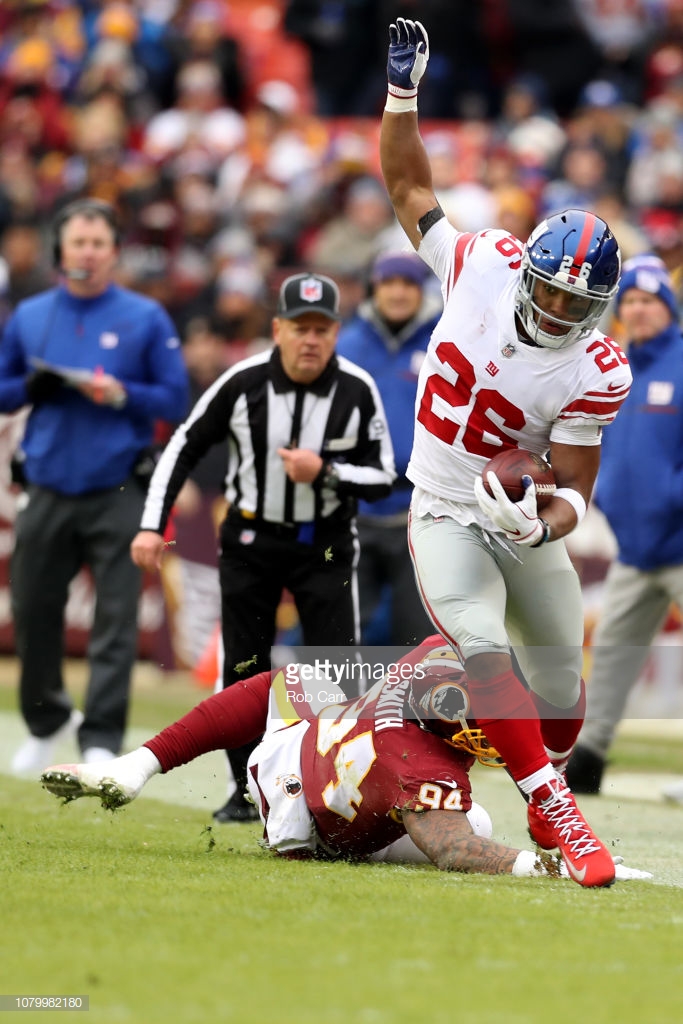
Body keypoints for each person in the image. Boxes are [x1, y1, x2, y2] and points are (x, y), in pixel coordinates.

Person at [379, 19, 632, 888]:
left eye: (579, 304)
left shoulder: (595, 367)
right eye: (554, 295)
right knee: (483, 648)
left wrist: (536, 523)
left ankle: (543, 791)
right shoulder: (483, 262)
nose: (562, 315)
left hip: (511, 517)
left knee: (562, 679)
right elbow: (408, 183)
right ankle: (557, 806)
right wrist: (402, 97)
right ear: (528, 272)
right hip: (446, 505)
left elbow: (575, 492)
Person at [39, 636, 650, 884]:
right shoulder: (426, 762)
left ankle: (137, 764)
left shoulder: (437, 658)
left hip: (323, 755)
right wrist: (545, 867)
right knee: (477, 832)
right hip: (297, 801)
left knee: (299, 677)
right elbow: (454, 849)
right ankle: (298, 830)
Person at [130, 271, 396, 824]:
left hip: (324, 544)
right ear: (277, 328)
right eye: (300, 327)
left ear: (336, 333)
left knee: (335, 671)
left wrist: (325, 471)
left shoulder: (356, 388)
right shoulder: (243, 380)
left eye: (321, 329)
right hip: (251, 538)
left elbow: (384, 477)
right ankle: (245, 787)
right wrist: (153, 524)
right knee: (244, 667)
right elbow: (182, 445)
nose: (310, 340)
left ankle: (329, 792)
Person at [1, 198, 190, 775]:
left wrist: (123, 394)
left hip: (118, 487)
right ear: (61, 250)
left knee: (116, 620)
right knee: (32, 610)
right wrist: (32, 385)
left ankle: (101, 736)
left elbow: (175, 397)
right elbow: (3, 392)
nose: (86, 252)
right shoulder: (31, 315)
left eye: (97, 243)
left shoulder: (145, 317)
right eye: (77, 243)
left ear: (112, 251)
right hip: (47, 484)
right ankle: (46, 719)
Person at [565, 256, 683, 799]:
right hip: (637, 550)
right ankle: (586, 763)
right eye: (629, 300)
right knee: (612, 652)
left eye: (648, 300)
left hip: (678, 542)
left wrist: (667, 499)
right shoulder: (618, 371)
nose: (636, 309)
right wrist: (608, 495)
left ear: (668, 307)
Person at [336, 250, 439, 645]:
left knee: (419, 635)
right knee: (342, 631)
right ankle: (333, 708)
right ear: (373, 290)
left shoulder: (442, 340)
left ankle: (414, 710)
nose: (398, 293)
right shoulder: (348, 345)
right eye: (388, 283)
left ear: (421, 291)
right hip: (357, 505)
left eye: (407, 284)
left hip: (421, 507)